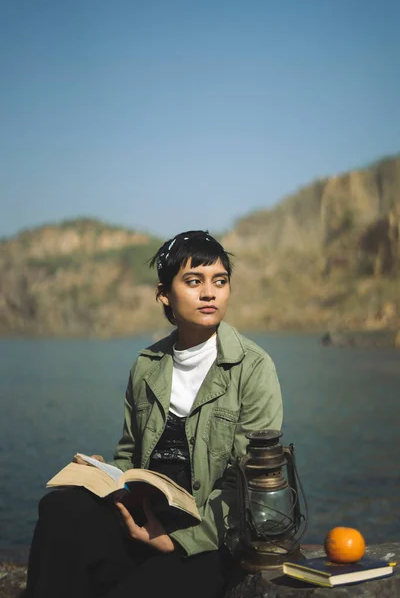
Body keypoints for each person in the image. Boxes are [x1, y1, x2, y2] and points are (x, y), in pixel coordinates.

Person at [25, 230, 283, 598]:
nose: (209, 293)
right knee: (60, 506)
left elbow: (248, 484)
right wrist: (106, 477)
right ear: (164, 293)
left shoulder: (253, 368)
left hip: (210, 540)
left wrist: (178, 540)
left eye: (219, 282)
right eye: (194, 281)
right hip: (144, 519)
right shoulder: (147, 366)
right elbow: (130, 453)